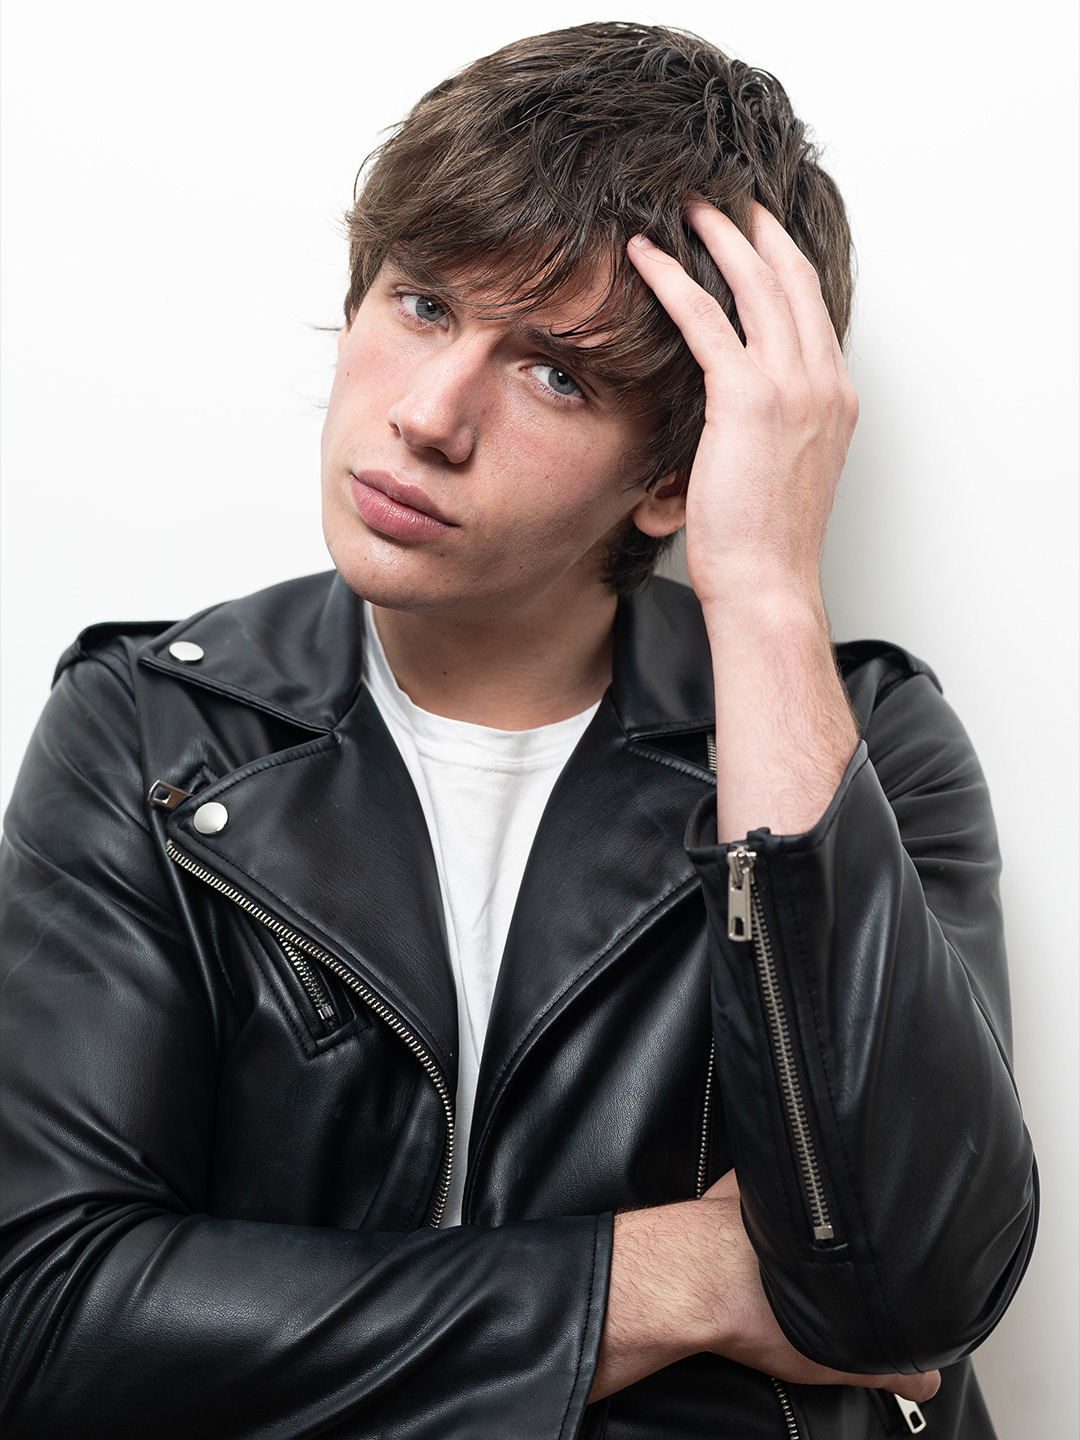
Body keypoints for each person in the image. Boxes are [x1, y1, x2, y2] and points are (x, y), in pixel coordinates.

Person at [0, 21, 1036, 1440]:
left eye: (557, 374)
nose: (427, 416)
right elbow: (46, 1320)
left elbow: (909, 1294)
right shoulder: (155, 728)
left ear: (674, 475)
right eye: (424, 303)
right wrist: (667, 1278)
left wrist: (761, 591)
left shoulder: (870, 745)